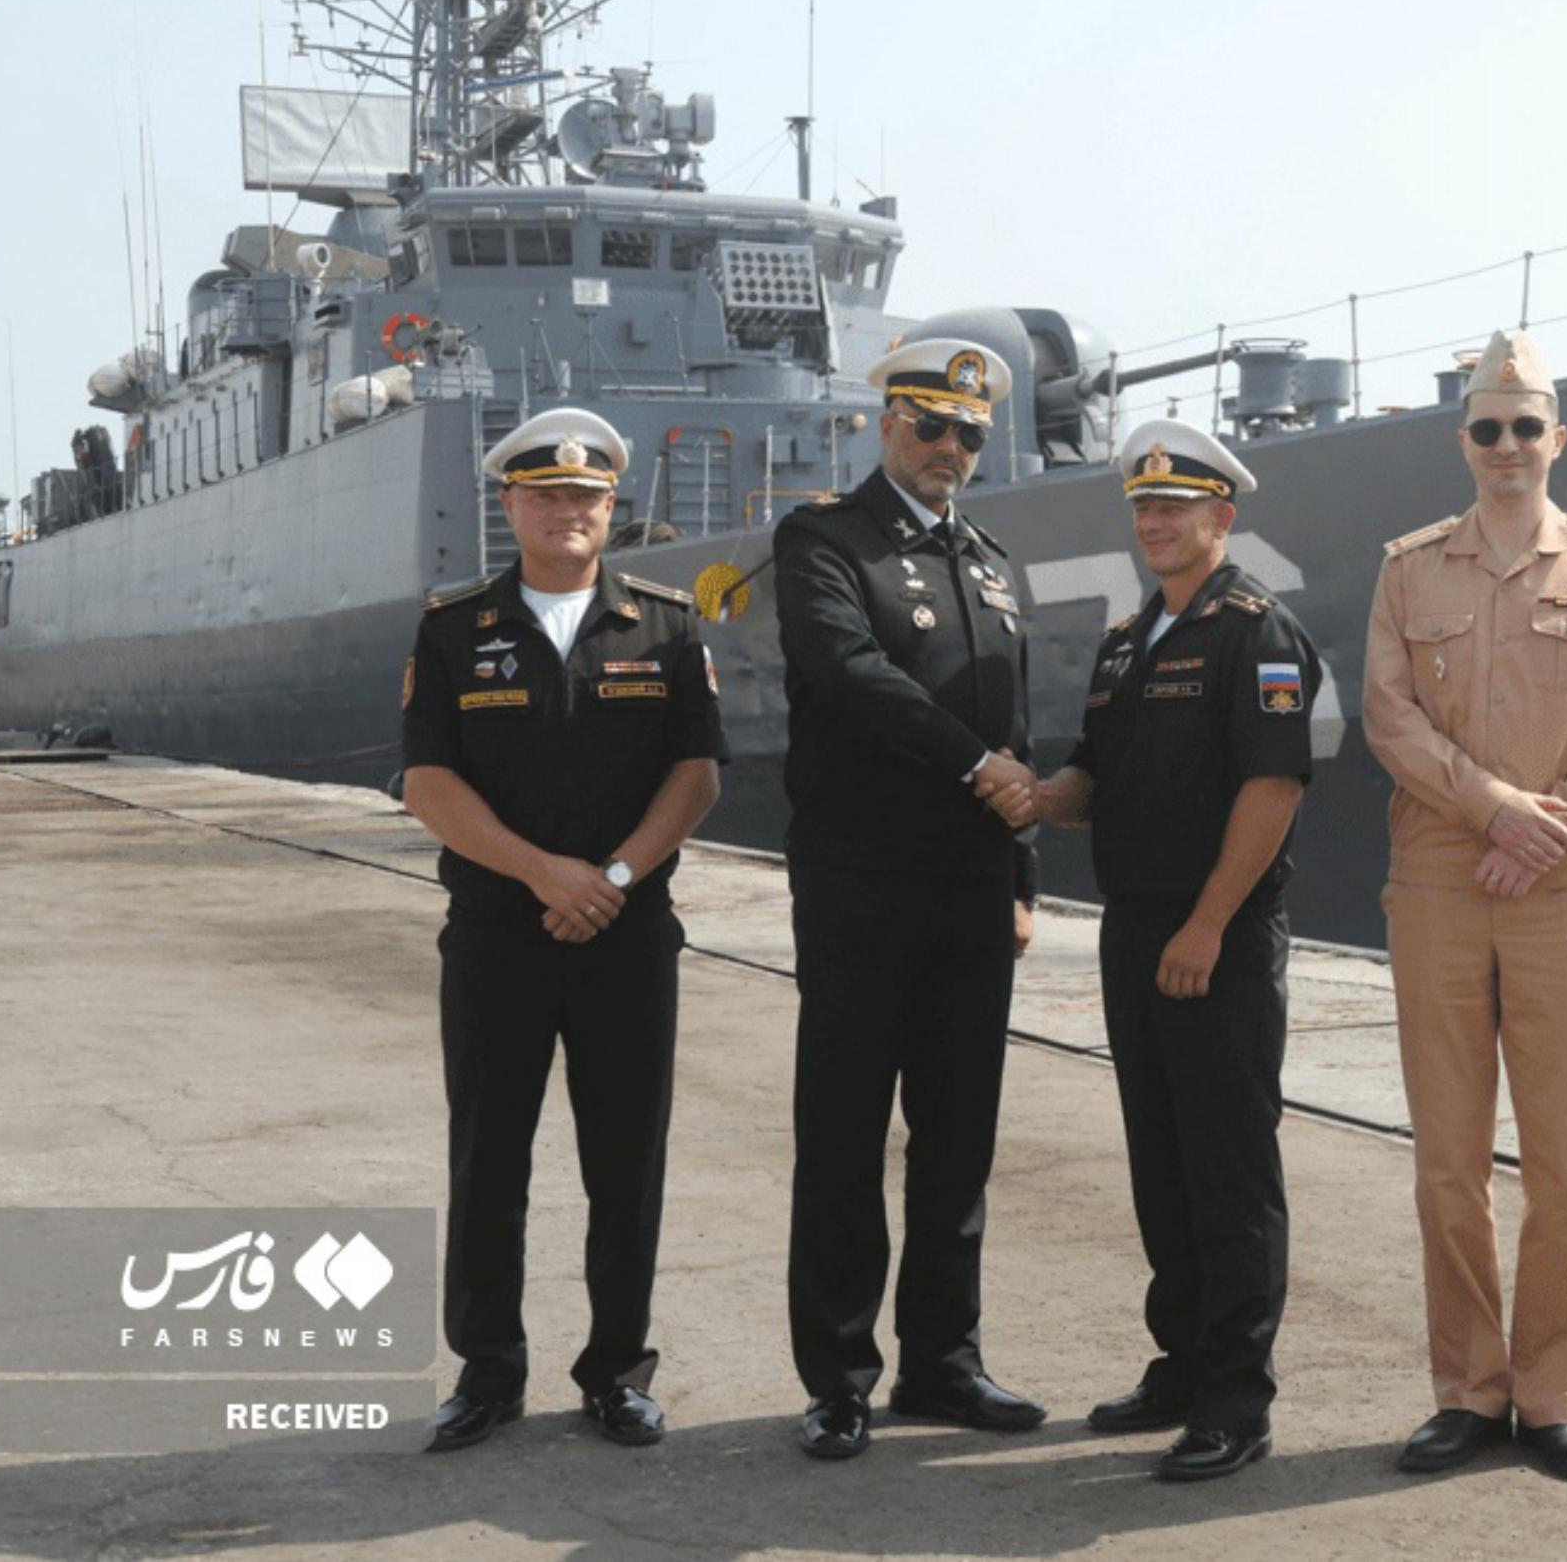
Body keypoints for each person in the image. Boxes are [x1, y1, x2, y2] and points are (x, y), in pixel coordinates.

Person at [1360, 328, 1567, 1483]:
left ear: (1557, 439)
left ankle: (1551, 1394)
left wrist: (1549, 829)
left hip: (1563, 886)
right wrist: (1494, 809)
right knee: (1447, 1159)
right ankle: (1468, 1389)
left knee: (1562, 1162)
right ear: (1463, 441)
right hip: (1442, 882)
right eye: (1487, 427)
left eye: (1526, 426)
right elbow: (1389, 715)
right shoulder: (1409, 570)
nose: (1506, 445)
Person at [399, 406, 729, 1452]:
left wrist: (614, 877)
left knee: (625, 1162)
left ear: (610, 505)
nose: (566, 511)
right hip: (497, 932)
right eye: (545, 495)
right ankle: (488, 1371)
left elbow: (697, 774)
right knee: (489, 1158)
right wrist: (543, 872)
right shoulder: (453, 629)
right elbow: (428, 782)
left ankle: (618, 1371)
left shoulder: (665, 625)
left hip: (627, 936)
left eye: (584, 495)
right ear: (511, 506)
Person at [774, 337, 1046, 1462]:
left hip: (972, 893)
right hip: (861, 884)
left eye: (969, 433)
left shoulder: (989, 560)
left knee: (958, 1137)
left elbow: (1015, 724)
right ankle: (840, 1377)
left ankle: (944, 1361)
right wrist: (976, 768)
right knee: (844, 1134)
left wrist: (1021, 877)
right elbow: (849, 671)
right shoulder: (825, 541)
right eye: (930, 424)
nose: (949, 447)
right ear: (886, 422)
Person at [1036, 419, 1319, 1483]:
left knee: (1229, 1167)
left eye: (1176, 507)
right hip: (1136, 929)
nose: (1155, 521)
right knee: (1160, 1158)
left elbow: (1272, 787)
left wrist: (1206, 925)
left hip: (1220, 936)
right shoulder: (1128, 639)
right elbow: (1091, 775)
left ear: (1221, 517)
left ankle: (1236, 1400)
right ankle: (1183, 1363)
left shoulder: (1257, 631)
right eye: (1144, 507)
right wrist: (1030, 794)